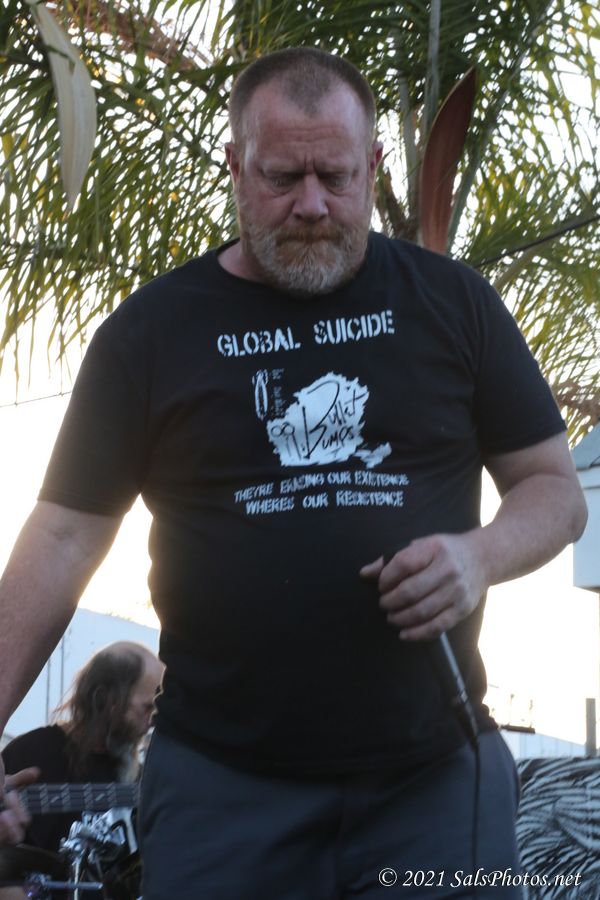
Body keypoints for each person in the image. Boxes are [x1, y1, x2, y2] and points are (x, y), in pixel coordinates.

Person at [0, 47, 588, 899]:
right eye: (282, 177)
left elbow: (556, 491)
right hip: (221, 794)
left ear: (373, 166)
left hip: (430, 784)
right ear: (235, 168)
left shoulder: (456, 305)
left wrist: (479, 557)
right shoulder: (150, 334)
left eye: (335, 177)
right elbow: (60, 537)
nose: (311, 204)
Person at [0, 642, 162, 857]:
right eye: (147, 707)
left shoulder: (138, 777)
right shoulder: (29, 753)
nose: (152, 720)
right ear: (108, 700)